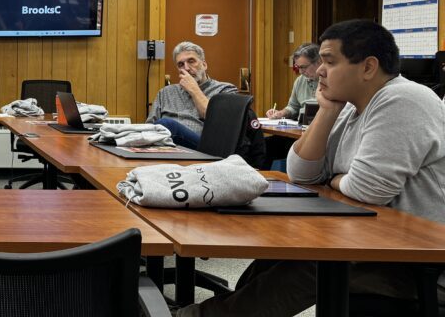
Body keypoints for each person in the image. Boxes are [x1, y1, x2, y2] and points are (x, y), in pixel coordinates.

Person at [178, 19, 445, 317]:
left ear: (368, 67)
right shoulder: (349, 107)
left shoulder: (403, 99)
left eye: (329, 61)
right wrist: (328, 111)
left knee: (311, 267)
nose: (318, 70)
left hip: (415, 262)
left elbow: (368, 190)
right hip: (374, 243)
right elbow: (303, 173)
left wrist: (334, 180)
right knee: (276, 259)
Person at [146, 41, 237, 149]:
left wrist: (194, 89)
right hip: (167, 148)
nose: (187, 68)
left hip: (206, 147)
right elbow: (150, 128)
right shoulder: (165, 92)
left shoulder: (225, 89)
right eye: (181, 64)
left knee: (168, 125)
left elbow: (220, 124)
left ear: (204, 64)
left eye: (191, 61)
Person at [266, 42, 320, 119]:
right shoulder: (300, 80)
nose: (301, 72)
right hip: (303, 125)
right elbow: (293, 107)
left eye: (303, 67)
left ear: (318, 62)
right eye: (298, 67)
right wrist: (281, 113)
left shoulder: (332, 80)